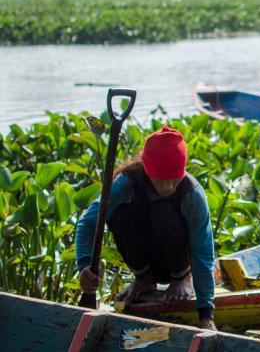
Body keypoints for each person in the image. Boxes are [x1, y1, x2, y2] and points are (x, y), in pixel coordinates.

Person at [75, 126, 216, 330]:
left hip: (178, 259)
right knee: (120, 214)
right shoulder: (127, 182)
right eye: (161, 181)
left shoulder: (192, 193)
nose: (168, 188)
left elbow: (203, 252)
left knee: (163, 210)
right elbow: (89, 221)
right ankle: (143, 279)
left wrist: (206, 313)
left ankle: (181, 278)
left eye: (174, 181)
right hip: (148, 256)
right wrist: (85, 265)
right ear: (148, 171)